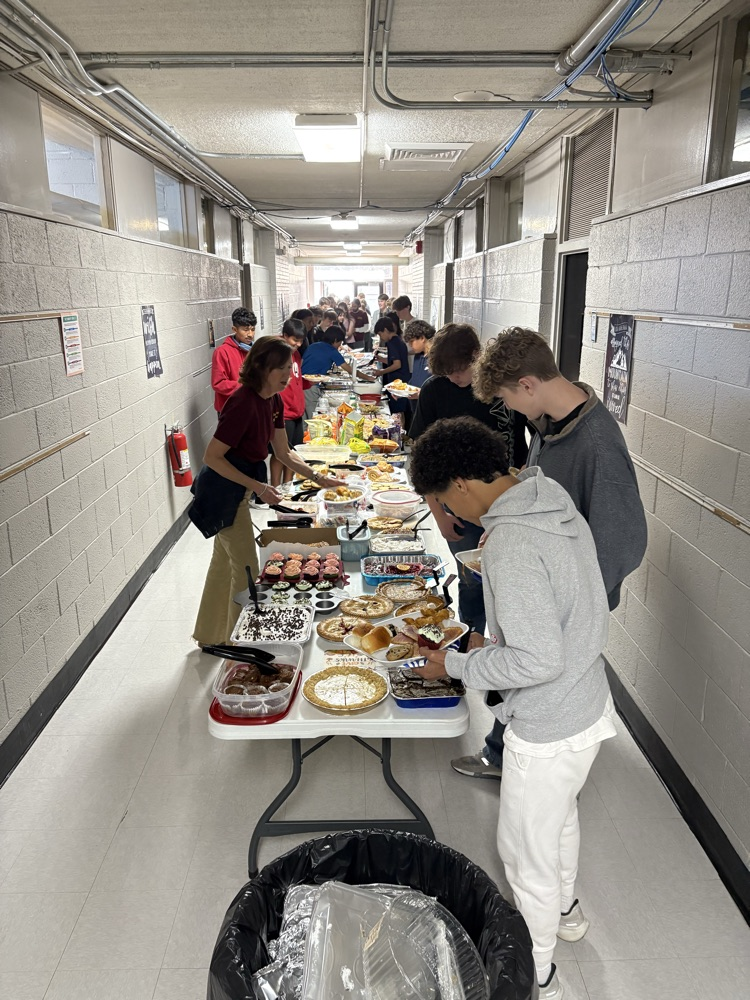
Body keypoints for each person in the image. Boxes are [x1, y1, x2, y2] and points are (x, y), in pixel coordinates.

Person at [410, 415, 615, 1000]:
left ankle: (539, 974)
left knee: (525, 853)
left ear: (463, 485)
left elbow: (536, 662)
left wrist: (453, 665)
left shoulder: (513, 542)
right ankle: (568, 914)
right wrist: (486, 645)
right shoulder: (547, 498)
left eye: (447, 504)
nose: (451, 518)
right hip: (585, 702)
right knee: (559, 822)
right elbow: (555, 618)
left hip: (548, 719)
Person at [452, 327, 647, 781]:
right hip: (539, 581)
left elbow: (625, 540)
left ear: (528, 385)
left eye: (507, 398)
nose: (509, 409)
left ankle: (522, 766)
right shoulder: (550, 423)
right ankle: (502, 754)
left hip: (567, 596)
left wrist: (575, 592)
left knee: (540, 678)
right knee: (521, 669)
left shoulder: (597, 443)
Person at [190, 338, 344, 646]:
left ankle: (212, 636)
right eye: (282, 368)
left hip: (240, 490)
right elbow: (212, 457)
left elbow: (284, 453)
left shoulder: (272, 400)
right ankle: (240, 644)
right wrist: (259, 486)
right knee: (247, 569)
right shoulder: (242, 402)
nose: (288, 374)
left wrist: (317, 477)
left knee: (223, 564)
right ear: (261, 367)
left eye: (290, 367)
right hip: (222, 493)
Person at [409, 324, 527, 636]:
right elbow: (422, 461)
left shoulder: (501, 390)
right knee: (471, 580)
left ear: (476, 357)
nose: (453, 378)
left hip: (508, 501)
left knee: (509, 581)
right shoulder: (436, 390)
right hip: (457, 507)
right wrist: (439, 516)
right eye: (445, 372)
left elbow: (524, 446)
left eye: (458, 371)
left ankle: (505, 647)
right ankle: (471, 639)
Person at [270, 318, 306, 486]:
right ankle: (276, 487)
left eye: (300, 340)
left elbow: (298, 379)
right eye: (295, 340)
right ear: (285, 336)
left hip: (297, 410)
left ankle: (288, 485)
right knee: (279, 453)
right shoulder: (276, 355)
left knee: (294, 451)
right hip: (283, 412)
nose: (298, 344)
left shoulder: (295, 353)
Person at [210, 307, 256, 412]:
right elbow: (218, 383)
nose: (250, 334)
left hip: (252, 407)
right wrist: (245, 386)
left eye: (253, 329)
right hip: (230, 410)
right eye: (245, 330)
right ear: (234, 329)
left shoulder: (255, 351)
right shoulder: (222, 352)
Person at [301, 324, 352, 417]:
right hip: (311, 386)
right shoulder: (332, 351)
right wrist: (368, 377)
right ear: (335, 340)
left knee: (304, 416)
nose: (340, 345)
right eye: (340, 342)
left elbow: (301, 362)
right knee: (313, 417)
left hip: (301, 384)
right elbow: (349, 369)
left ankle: (304, 431)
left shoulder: (313, 346)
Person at [373, 315, 411, 425]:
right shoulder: (398, 340)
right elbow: (396, 361)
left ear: (385, 330)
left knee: (398, 411)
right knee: (402, 411)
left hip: (398, 382)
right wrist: (381, 359)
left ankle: (399, 433)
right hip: (402, 379)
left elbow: (397, 365)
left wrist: (381, 372)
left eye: (380, 334)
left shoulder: (392, 343)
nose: (381, 338)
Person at [403, 319, 435, 390]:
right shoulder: (418, 356)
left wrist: (420, 394)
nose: (410, 345)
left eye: (412, 341)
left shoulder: (436, 357)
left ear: (422, 338)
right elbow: (414, 380)